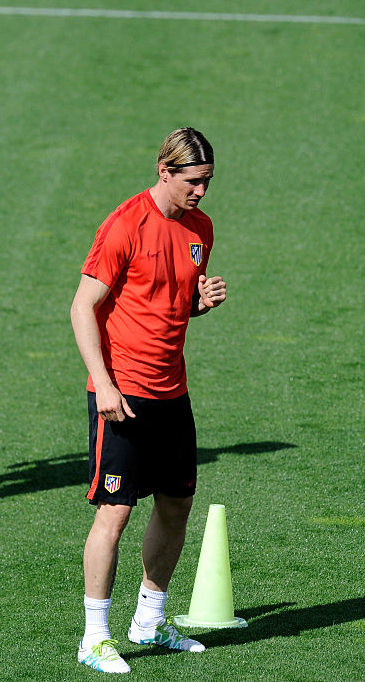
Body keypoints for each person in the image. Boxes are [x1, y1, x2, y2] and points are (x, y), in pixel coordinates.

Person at [70, 127, 228, 673]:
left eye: (207, 181)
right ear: (165, 171)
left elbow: (170, 304)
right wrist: (104, 384)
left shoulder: (200, 229)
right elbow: (82, 307)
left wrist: (200, 302)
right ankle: (94, 637)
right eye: (193, 181)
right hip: (122, 393)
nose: (202, 192)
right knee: (114, 512)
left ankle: (151, 620)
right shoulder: (124, 226)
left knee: (176, 503)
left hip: (171, 391)